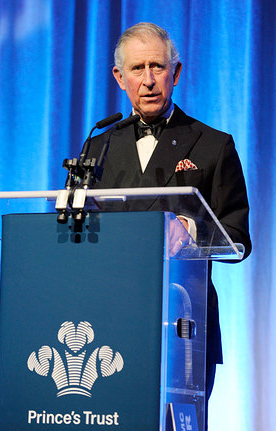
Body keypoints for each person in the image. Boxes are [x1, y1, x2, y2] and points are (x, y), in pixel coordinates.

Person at [88, 22, 252, 427]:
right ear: (119, 78)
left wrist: (190, 229)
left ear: (175, 73)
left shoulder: (213, 145)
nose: (148, 80)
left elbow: (239, 239)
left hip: (184, 328)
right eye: (138, 69)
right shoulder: (98, 147)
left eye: (157, 67)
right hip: (110, 326)